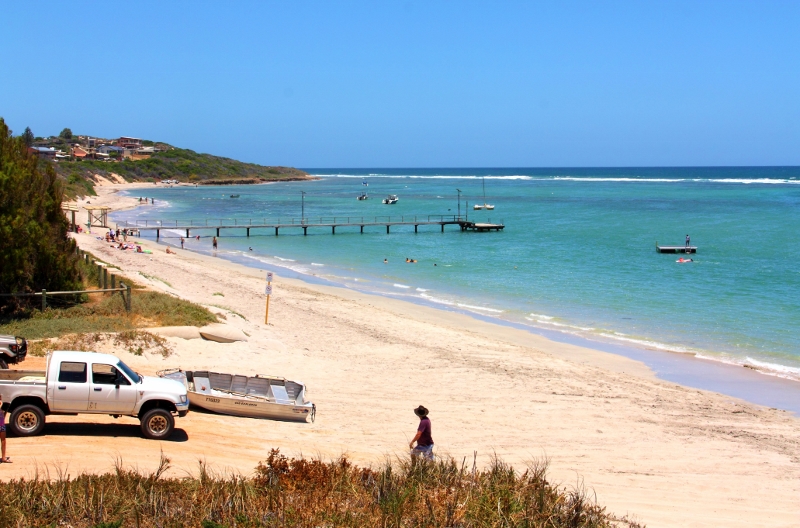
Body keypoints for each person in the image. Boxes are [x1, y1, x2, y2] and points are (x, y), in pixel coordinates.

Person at [0, 393, 10, 463]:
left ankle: (3, 457)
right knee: (3, 441)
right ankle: (3, 457)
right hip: (1, 424)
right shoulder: (1, 404)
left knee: (3, 441)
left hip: (1, 423)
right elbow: (3, 415)